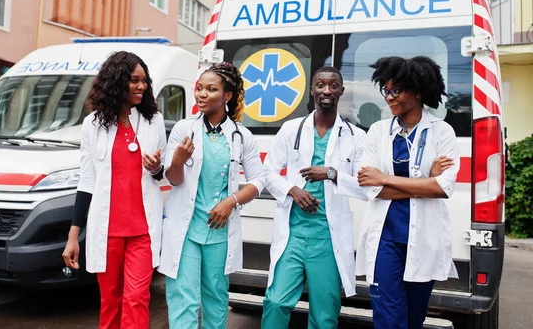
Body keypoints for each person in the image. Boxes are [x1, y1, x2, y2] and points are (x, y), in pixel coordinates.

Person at [62, 51, 166, 329]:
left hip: (143, 231)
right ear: (117, 82)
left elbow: (162, 173)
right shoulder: (93, 125)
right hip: (106, 231)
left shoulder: (153, 120)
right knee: (111, 300)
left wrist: (156, 168)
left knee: (136, 298)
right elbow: (86, 181)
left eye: (145, 81)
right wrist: (73, 237)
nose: (142, 86)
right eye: (134, 80)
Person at [159, 62, 265, 329]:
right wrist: (178, 161)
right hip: (187, 228)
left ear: (227, 96)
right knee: (184, 297)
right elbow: (173, 179)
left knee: (216, 297)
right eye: (199, 88)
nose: (201, 94)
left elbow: (258, 181)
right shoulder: (184, 129)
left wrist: (232, 201)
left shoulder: (242, 136)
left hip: (219, 231)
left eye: (211, 89)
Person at [356, 55, 459, 329]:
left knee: (414, 319)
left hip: (424, 238)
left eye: (396, 91)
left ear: (418, 91)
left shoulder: (442, 132)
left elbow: (442, 187)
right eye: (386, 91)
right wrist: (424, 182)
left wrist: (387, 178)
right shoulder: (377, 132)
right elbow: (372, 187)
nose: (389, 97)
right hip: (386, 239)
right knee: (389, 320)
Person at [261, 66, 368, 329]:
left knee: (324, 313)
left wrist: (332, 174)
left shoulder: (356, 137)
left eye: (333, 85)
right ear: (312, 91)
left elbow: (367, 188)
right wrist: (292, 190)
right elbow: (268, 172)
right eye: (321, 85)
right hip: (294, 234)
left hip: (328, 240)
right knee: (276, 302)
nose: (327, 90)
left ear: (341, 91)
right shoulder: (291, 129)